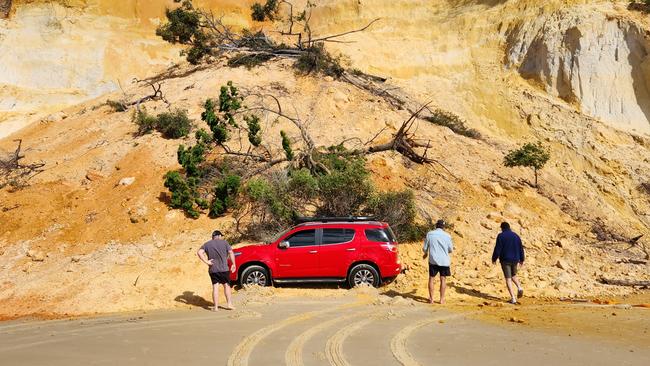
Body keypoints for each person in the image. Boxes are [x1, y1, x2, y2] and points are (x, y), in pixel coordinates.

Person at [197, 230, 236, 311]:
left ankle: (216, 307)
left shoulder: (207, 244)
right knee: (226, 286)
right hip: (224, 269)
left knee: (215, 287)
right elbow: (231, 253)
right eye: (221, 236)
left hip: (213, 269)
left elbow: (199, 252)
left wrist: (207, 262)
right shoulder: (224, 243)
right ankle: (229, 304)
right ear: (218, 236)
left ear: (213, 236)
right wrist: (233, 264)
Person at [491, 222, 525, 304]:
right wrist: (522, 259)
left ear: (502, 228)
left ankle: (513, 298)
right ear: (509, 227)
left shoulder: (501, 236)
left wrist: (494, 258)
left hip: (505, 260)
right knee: (513, 275)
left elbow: (498, 248)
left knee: (508, 278)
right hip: (515, 259)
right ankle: (519, 287)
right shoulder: (516, 236)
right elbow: (521, 248)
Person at [423, 219, 453, 304]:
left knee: (431, 278)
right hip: (444, 261)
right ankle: (441, 299)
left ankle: (431, 299)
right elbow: (450, 249)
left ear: (436, 225)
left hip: (433, 260)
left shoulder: (430, 234)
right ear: (443, 227)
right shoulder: (447, 236)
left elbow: (425, 248)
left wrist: (425, 253)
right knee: (443, 279)